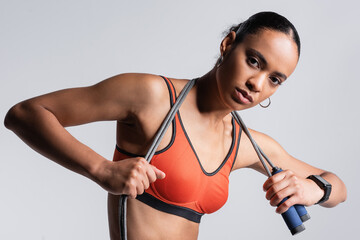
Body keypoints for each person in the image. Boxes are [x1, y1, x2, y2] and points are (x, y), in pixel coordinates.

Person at [4, 11, 347, 240]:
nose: (257, 83)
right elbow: (25, 113)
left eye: (275, 79)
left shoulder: (246, 143)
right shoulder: (151, 96)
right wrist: (101, 169)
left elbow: (338, 187)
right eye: (253, 61)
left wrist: (316, 191)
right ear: (228, 44)